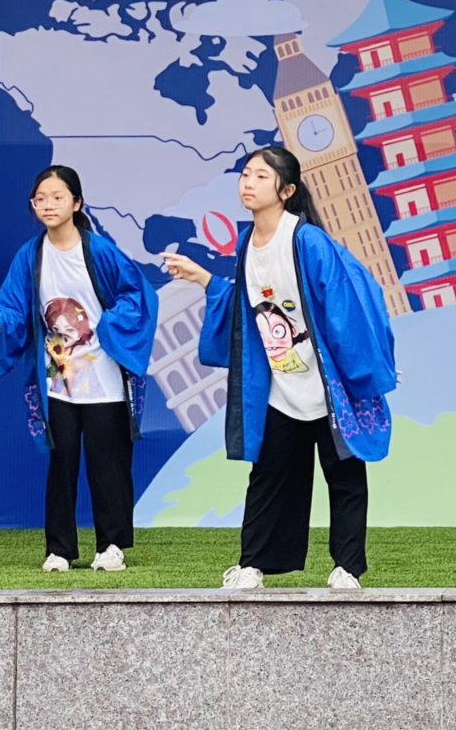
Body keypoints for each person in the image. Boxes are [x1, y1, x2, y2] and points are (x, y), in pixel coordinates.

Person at [161, 146, 397, 590]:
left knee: (344, 476)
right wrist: (204, 279)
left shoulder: (307, 241)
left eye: (260, 176)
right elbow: (247, 305)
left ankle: (346, 568)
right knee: (267, 475)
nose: (248, 183)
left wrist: (368, 367)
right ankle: (252, 564)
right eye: (245, 174)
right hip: (282, 385)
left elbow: (346, 306)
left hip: (326, 385)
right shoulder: (246, 242)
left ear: (286, 191)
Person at [0, 166, 159, 573]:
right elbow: (12, 304)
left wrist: (110, 326)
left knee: (108, 465)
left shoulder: (100, 251)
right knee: (61, 465)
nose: (48, 205)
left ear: (76, 203)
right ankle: (59, 549)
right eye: (40, 198)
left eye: (57, 197)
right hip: (57, 380)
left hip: (104, 379)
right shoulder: (31, 254)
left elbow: (136, 294)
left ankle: (111, 545)